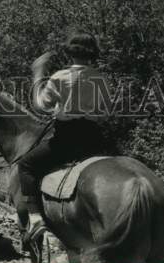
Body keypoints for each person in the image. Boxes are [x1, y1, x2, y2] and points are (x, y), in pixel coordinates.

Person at [18, 32, 111, 250]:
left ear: (69, 53)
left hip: (67, 137)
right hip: (94, 138)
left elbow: (41, 106)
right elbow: (106, 112)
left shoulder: (59, 77)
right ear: (92, 54)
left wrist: (38, 75)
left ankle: (35, 219)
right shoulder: (101, 78)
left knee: (27, 165)